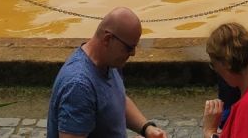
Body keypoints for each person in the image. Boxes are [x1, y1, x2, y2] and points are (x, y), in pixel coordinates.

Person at [47, 7, 168, 138]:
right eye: (129, 48)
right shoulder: (79, 86)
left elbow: (117, 99)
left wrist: (146, 128)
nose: (133, 53)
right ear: (107, 39)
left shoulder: (110, 62)